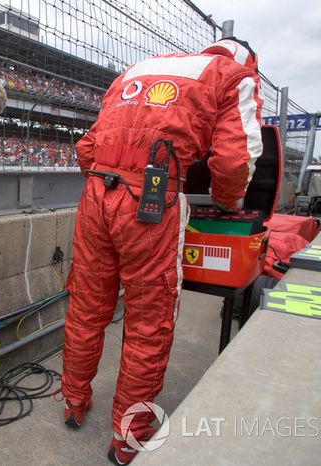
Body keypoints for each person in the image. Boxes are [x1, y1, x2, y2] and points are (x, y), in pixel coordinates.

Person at [59, 38, 263, 465]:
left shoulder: (138, 69)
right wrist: (227, 201)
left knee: (86, 306)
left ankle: (74, 401)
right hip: (151, 202)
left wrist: (108, 182)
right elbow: (233, 162)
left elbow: (86, 148)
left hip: (96, 193)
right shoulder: (234, 76)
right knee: (149, 320)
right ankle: (127, 437)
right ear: (246, 59)